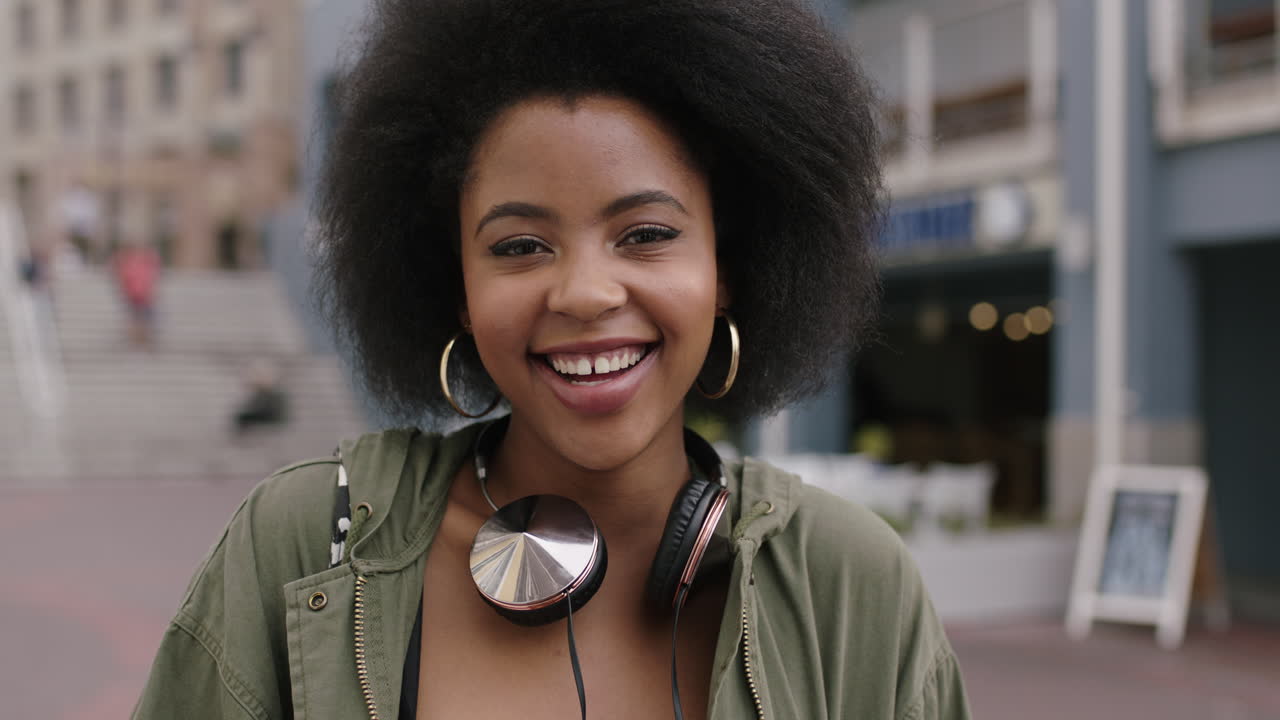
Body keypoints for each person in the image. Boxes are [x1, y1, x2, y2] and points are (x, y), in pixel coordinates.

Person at [134, 1, 970, 719]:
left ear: (728, 270)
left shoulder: (852, 587)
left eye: (646, 235)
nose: (583, 293)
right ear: (454, 286)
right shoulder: (305, 547)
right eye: (521, 245)